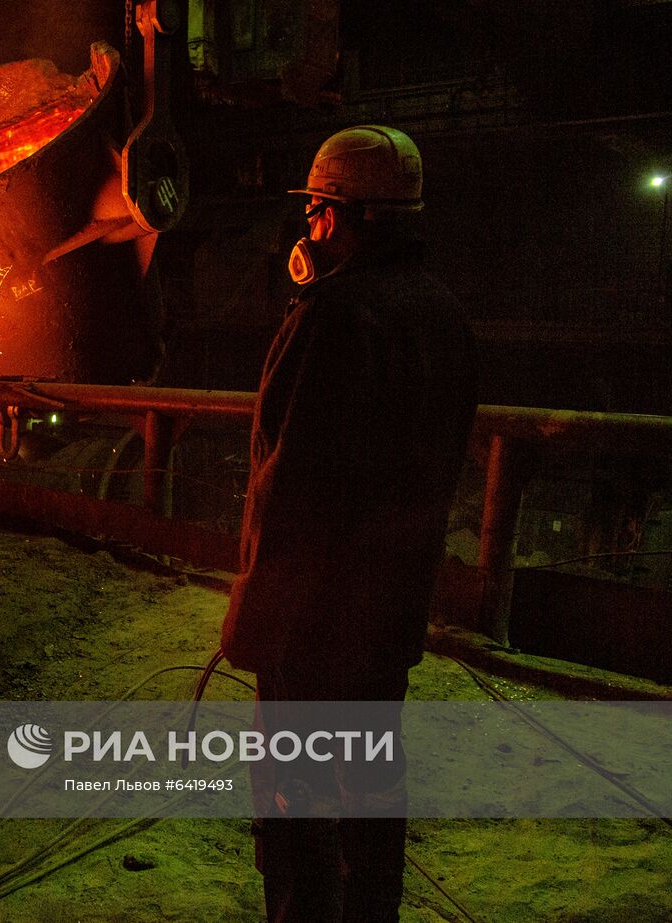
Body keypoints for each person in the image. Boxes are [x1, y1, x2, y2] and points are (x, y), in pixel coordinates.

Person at [219, 125, 478, 922]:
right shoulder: (444, 315)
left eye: (317, 211)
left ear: (341, 215)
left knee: (296, 804)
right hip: (390, 613)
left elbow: (291, 487)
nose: (309, 228)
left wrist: (253, 623)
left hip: (312, 626)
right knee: (371, 793)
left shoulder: (331, 316)